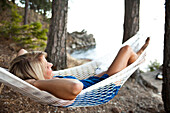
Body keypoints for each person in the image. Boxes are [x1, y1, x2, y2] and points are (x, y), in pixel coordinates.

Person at [9, 37, 150, 100]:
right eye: (47, 66)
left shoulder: (44, 79)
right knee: (126, 50)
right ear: (37, 74)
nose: (51, 65)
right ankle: (137, 58)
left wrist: (31, 61)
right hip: (107, 86)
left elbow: (22, 52)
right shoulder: (44, 85)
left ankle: (135, 58)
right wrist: (34, 83)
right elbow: (75, 86)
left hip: (97, 79)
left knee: (125, 57)